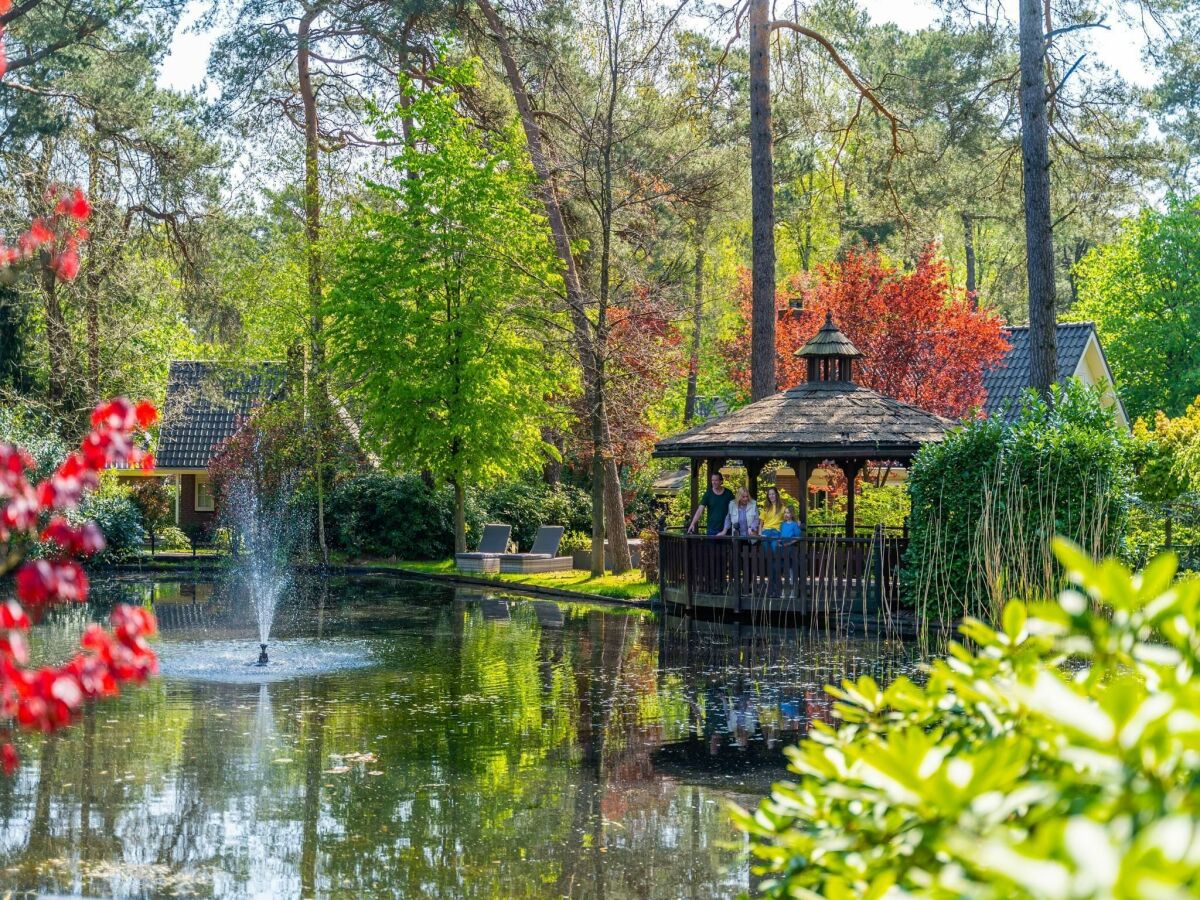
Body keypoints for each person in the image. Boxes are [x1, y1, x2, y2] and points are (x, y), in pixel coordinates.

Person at [688, 471, 735, 536]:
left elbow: (735, 509)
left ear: (721, 481)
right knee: (710, 546)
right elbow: (700, 510)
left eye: (716, 480)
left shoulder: (728, 493)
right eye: (712, 480)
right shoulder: (708, 494)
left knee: (726, 546)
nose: (714, 482)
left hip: (726, 529)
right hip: (712, 529)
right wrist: (692, 523)